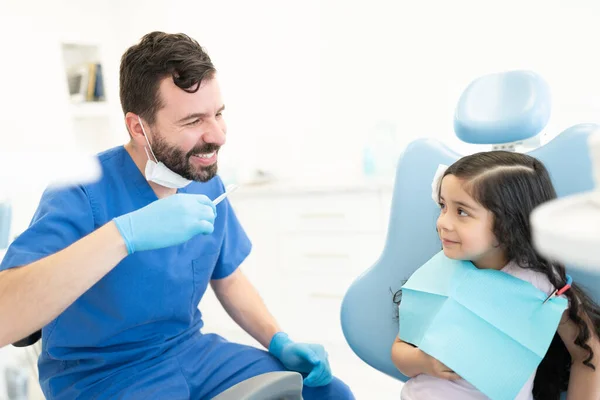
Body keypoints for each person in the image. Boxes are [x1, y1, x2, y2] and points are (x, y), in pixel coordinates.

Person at [0, 31, 354, 399]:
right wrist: (124, 235)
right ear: (138, 127)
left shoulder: (200, 177)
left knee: (325, 392)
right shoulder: (79, 192)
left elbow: (227, 277)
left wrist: (278, 340)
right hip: (101, 375)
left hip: (190, 352)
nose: (217, 136)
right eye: (193, 121)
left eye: (218, 114)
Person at [391, 151, 600, 399]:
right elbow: (399, 350)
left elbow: (588, 354)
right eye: (443, 206)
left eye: (462, 212)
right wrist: (424, 361)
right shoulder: (440, 272)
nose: (443, 222)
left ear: (509, 222)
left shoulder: (541, 286)